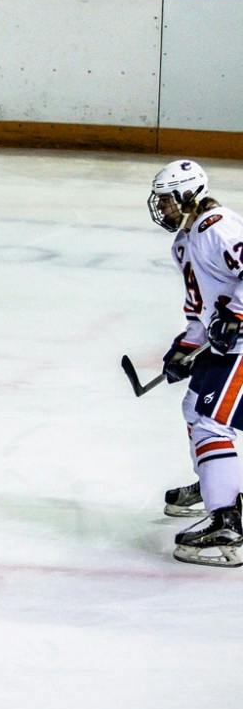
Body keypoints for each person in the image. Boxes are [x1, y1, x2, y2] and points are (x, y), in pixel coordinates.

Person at [148, 160, 243, 565]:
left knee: (210, 421)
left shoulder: (217, 227)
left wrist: (238, 314)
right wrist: (186, 347)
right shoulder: (184, 243)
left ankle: (228, 525)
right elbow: (200, 311)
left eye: (168, 200)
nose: (163, 209)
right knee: (194, 408)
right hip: (226, 345)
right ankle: (214, 485)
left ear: (189, 195)